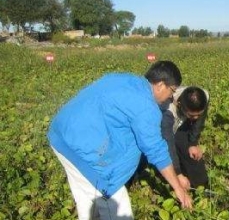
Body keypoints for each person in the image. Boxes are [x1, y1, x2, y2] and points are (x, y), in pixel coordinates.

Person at [47, 60, 193, 219]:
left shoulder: (127, 80)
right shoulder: (146, 106)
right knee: (118, 208)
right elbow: (156, 150)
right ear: (160, 85)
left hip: (61, 136)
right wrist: (177, 188)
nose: (171, 97)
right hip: (82, 152)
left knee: (88, 201)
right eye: (172, 90)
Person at [160, 85, 210, 190]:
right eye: (192, 116)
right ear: (180, 105)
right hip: (165, 129)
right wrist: (177, 174)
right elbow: (168, 144)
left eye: (198, 114)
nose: (195, 118)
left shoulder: (203, 97)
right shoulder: (168, 112)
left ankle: (203, 188)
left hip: (182, 122)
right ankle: (175, 179)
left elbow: (199, 122)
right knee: (172, 150)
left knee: (192, 154)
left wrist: (193, 143)